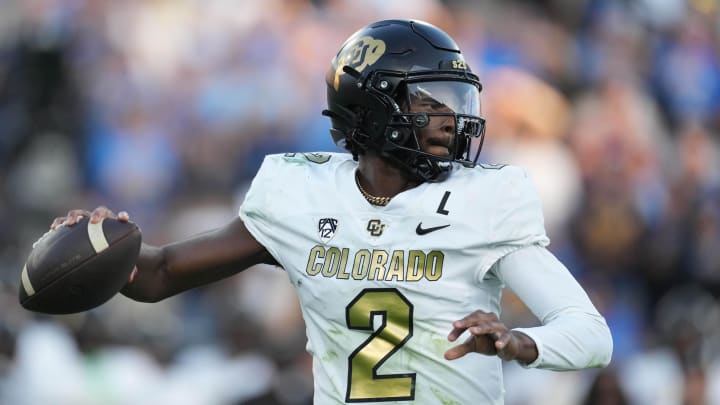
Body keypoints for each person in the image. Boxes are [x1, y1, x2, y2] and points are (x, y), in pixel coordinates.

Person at [51, 19, 612, 404]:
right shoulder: (300, 195)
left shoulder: (486, 200)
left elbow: (590, 335)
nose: (452, 120)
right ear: (372, 108)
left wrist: (520, 341)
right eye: (431, 102)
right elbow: (159, 274)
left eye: (458, 102)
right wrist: (102, 243)